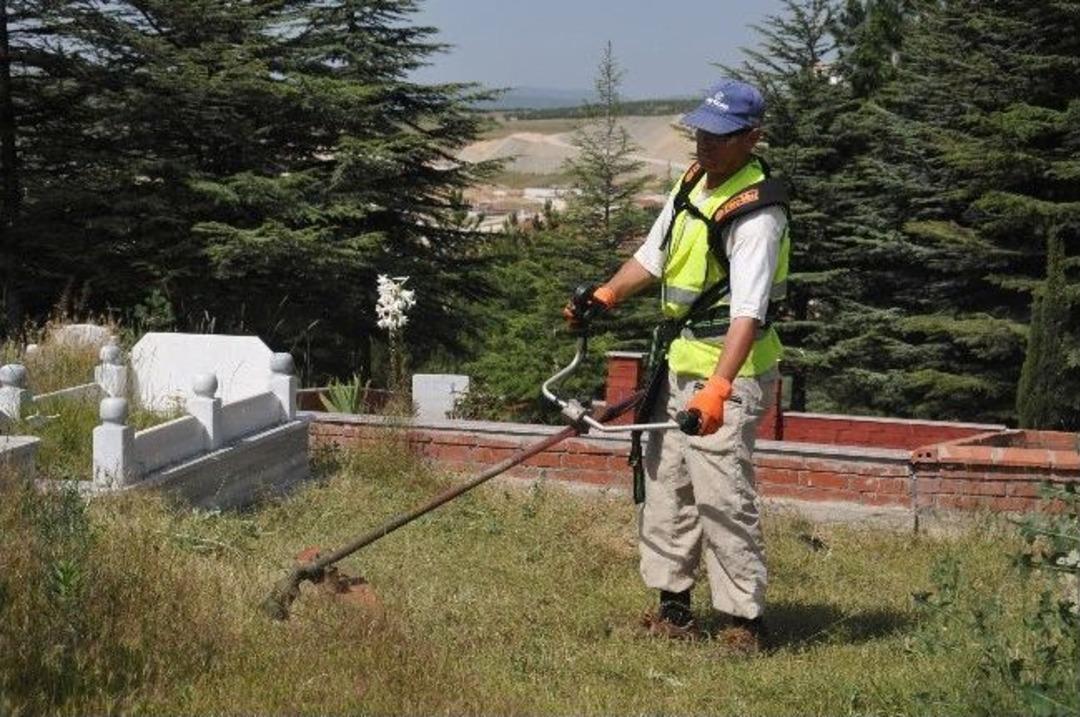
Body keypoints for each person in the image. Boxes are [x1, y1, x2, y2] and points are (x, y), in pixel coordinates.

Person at [565, 79, 790, 650]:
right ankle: (674, 609)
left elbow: (748, 314)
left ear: (752, 138)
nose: (704, 145)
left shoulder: (757, 213)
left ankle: (744, 622)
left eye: (717, 137)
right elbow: (653, 257)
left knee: (721, 493)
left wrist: (718, 389)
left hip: (726, 371)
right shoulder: (693, 182)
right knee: (667, 485)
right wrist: (608, 295)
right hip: (677, 361)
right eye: (699, 133)